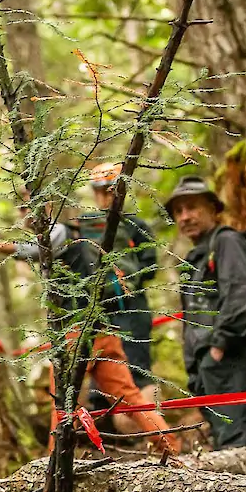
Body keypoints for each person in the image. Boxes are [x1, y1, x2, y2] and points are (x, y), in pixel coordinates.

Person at [0, 189, 176, 453]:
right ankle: (171, 449)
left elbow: (33, 250)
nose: (25, 215)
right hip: (101, 329)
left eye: (29, 208)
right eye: (21, 209)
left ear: (49, 207)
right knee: (128, 397)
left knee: (63, 402)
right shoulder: (72, 233)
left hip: (78, 334)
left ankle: (54, 465)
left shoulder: (61, 233)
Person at [169, 176, 246, 449]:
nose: (185, 217)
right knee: (225, 441)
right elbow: (191, 317)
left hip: (231, 357)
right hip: (207, 365)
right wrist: (196, 366)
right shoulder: (195, 258)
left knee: (239, 441)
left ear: (213, 209)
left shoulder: (227, 242)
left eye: (192, 207)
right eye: (178, 211)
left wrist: (218, 348)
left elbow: (241, 296)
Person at [82, 162, 160, 402]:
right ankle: (108, 430)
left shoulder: (134, 225)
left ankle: (148, 428)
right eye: (100, 191)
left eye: (109, 191)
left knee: (136, 369)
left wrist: (129, 279)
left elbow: (150, 263)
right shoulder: (86, 226)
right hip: (98, 312)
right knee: (101, 374)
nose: (104, 197)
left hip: (132, 308)